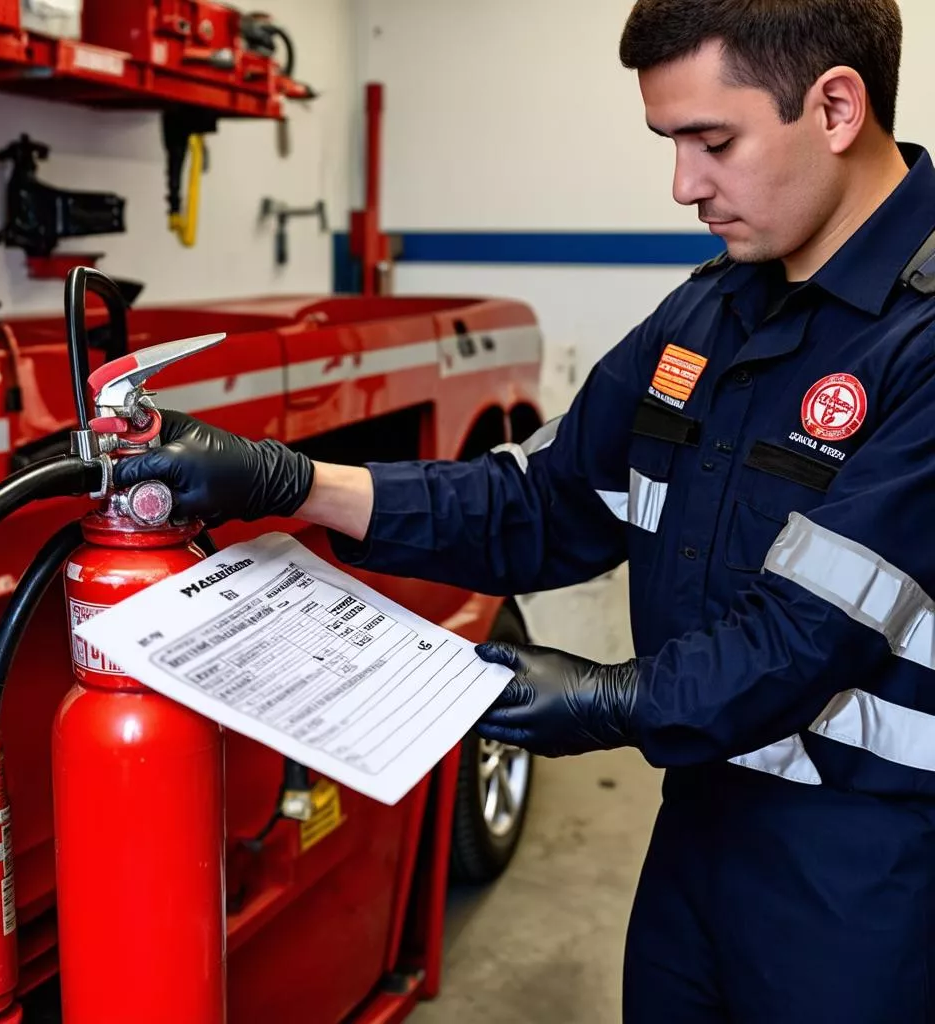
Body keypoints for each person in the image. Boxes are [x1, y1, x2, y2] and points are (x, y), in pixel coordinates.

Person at [116, 0, 935, 1019]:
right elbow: (540, 502)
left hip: (869, 872)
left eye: (710, 141)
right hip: (697, 827)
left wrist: (603, 699)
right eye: (669, 142)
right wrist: (291, 482)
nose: (683, 185)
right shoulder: (711, 310)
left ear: (835, 106)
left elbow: (807, 635)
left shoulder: (921, 342)